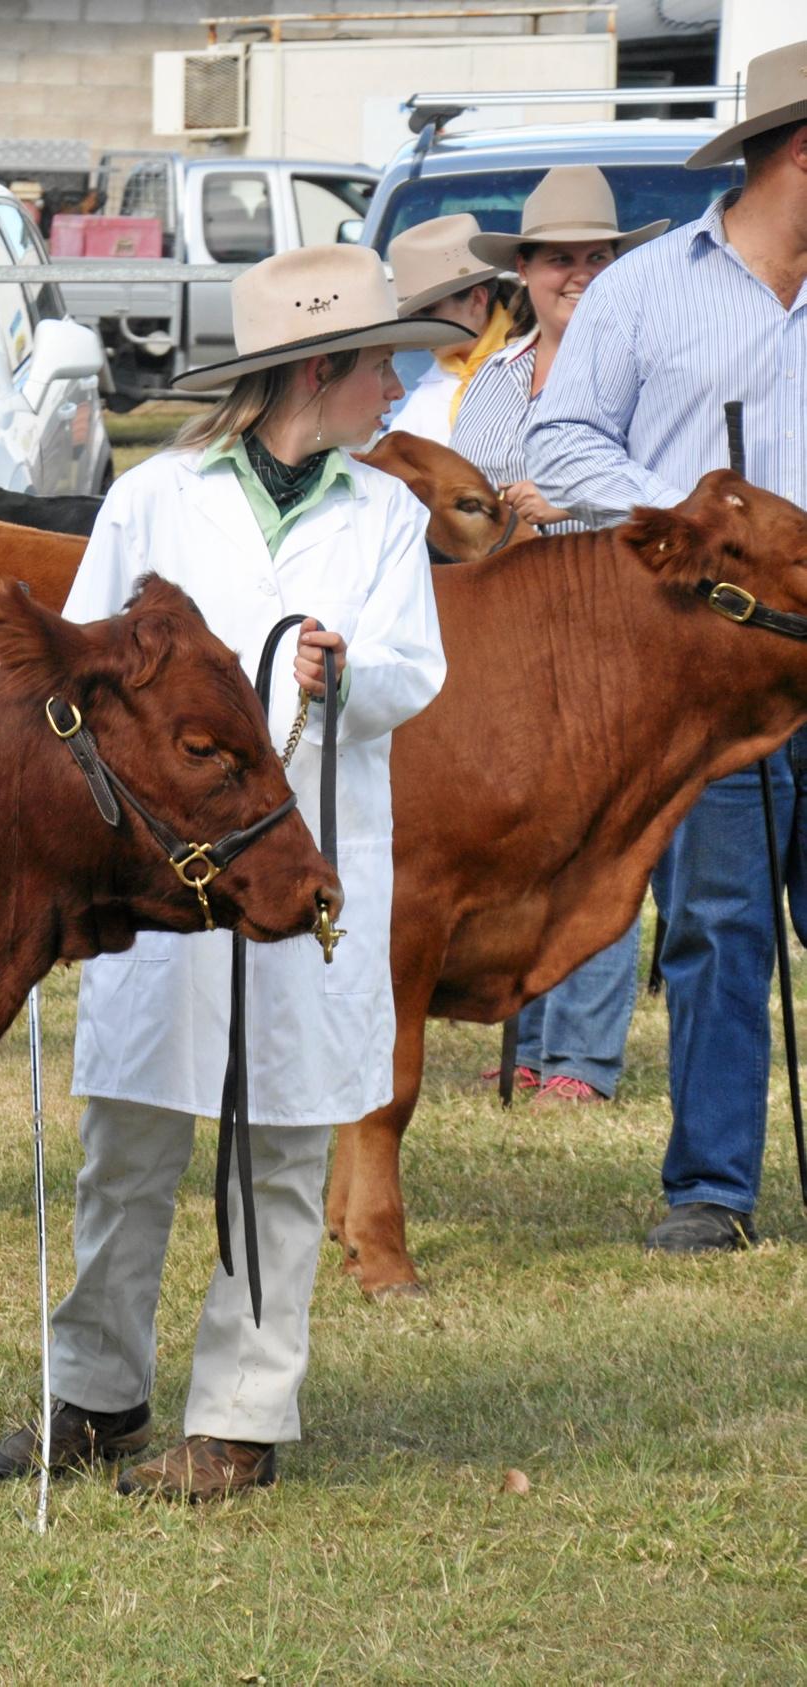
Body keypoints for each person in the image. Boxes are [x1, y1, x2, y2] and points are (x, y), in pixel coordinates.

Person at [0, 245, 456, 1501]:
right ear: (318, 370)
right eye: (381, 366)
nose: (398, 390)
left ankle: (241, 1419)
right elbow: (81, 671)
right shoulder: (152, 499)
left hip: (302, 858)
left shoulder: (387, 513)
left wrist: (346, 672)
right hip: (163, 871)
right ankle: (94, 1396)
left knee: (285, 1145)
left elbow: (420, 673)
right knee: (129, 1141)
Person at [528, 41, 807, 1253]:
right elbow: (563, 443)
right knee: (719, 920)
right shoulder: (646, 288)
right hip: (716, 660)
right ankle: (712, 1189)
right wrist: (691, 536)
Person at [448, 168, 665, 1105]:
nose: (579, 273)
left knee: (602, 836)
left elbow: (665, 495)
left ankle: (581, 1055)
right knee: (526, 838)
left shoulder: (643, 368)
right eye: (560, 259)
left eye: (596, 257)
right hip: (512, 633)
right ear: (524, 271)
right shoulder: (493, 378)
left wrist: (572, 497)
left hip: (612, 630)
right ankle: (527, 1029)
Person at [383, 213, 518, 444]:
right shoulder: (423, 399)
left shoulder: (541, 362)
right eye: (412, 318)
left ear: (477, 299)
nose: (421, 330)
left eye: (429, 311)